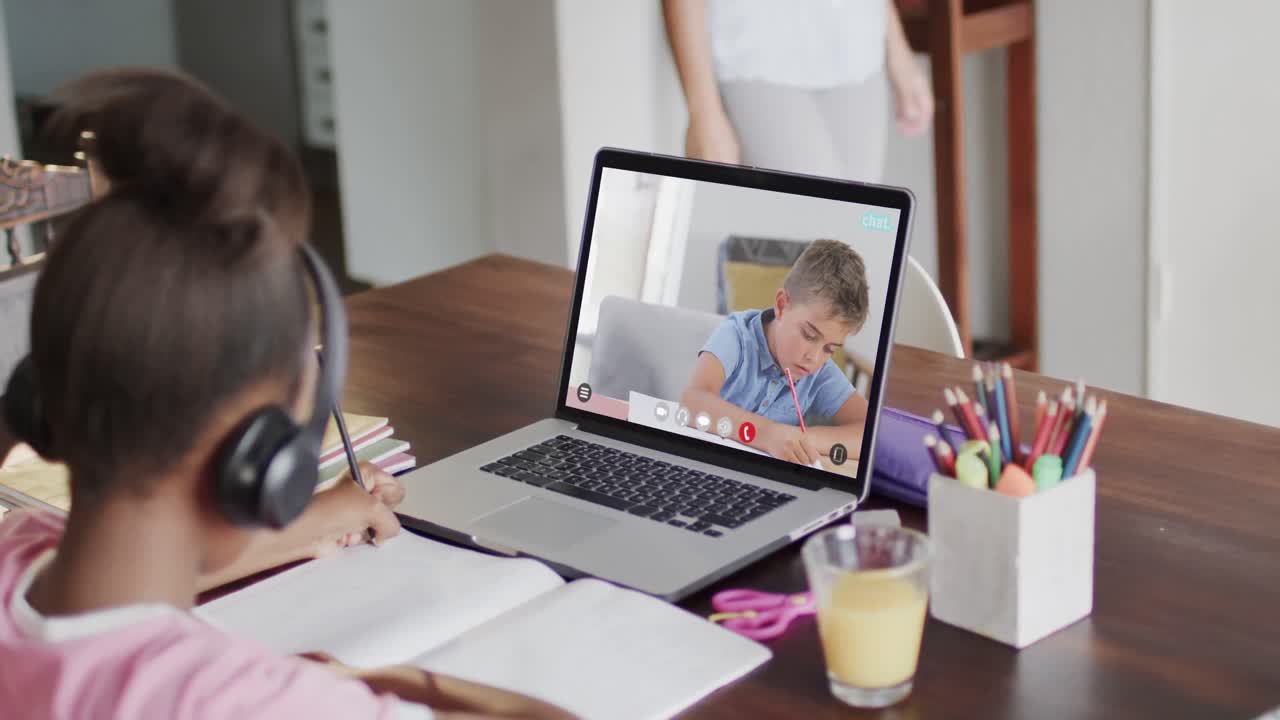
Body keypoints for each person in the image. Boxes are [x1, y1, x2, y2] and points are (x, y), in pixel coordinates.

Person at [0, 68, 571, 720]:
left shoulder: (19, 551)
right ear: (260, 463)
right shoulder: (234, 701)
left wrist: (315, 521)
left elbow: (120, 605)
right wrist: (379, 684)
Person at [662, 0, 934, 181]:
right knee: (814, 228)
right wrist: (703, 111)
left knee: (856, 239)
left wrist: (898, 49)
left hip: (857, 45)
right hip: (753, 51)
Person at [680, 240, 870, 465]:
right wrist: (768, 434)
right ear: (781, 305)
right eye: (809, 335)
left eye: (830, 349)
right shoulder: (736, 335)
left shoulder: (819, 372)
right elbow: (692, 401)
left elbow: (869, 431)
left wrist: (801, 440)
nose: (814, 358)